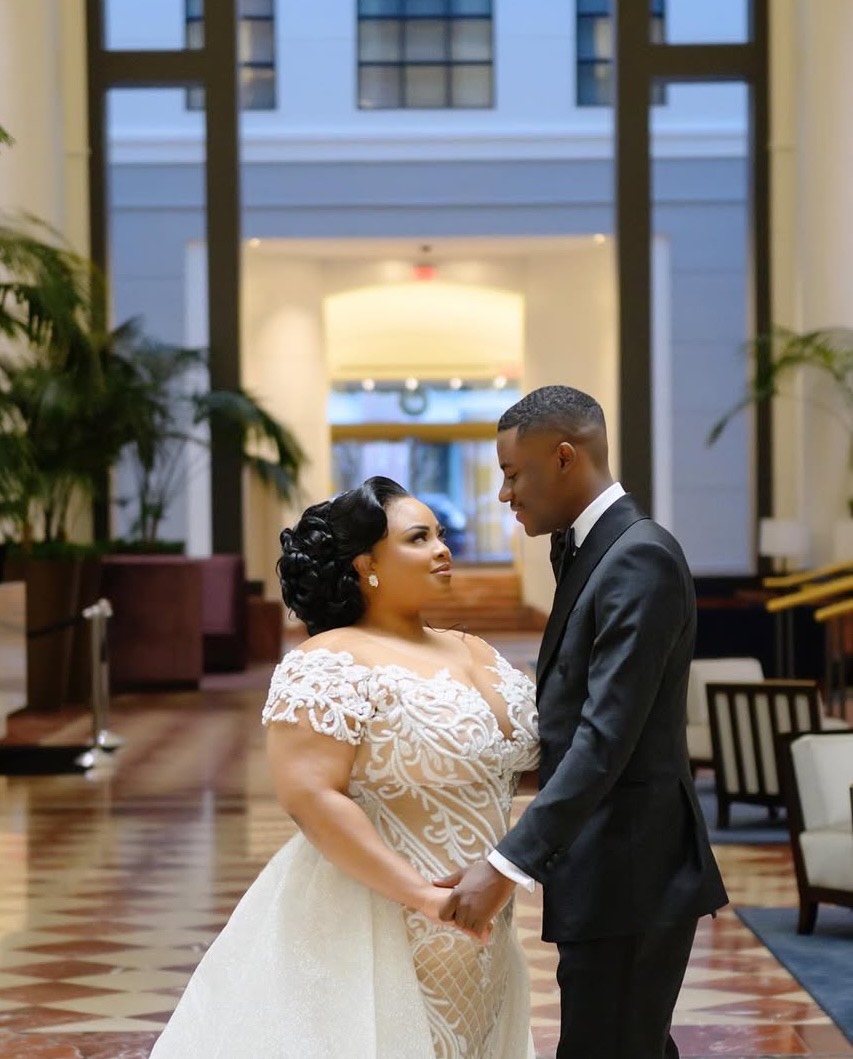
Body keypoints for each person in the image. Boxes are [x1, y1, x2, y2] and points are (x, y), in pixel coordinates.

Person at [149, 475, 539, 1059]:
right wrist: (425, 898)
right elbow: (311, 797)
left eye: (439, 534)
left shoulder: (474, 649)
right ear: (366, 566)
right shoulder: (327, 662)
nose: (442, 548)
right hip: (380, 917)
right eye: (419, 538)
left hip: (485, 921)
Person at [439, 385, 728, 1059]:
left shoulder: (638, 556)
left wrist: (504, 863)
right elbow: (571, 721)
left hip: (634, 872)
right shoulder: (595, 550)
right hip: (605, 870)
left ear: (563, 456)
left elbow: (606, 737)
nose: (505, 494)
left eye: (512, 474)